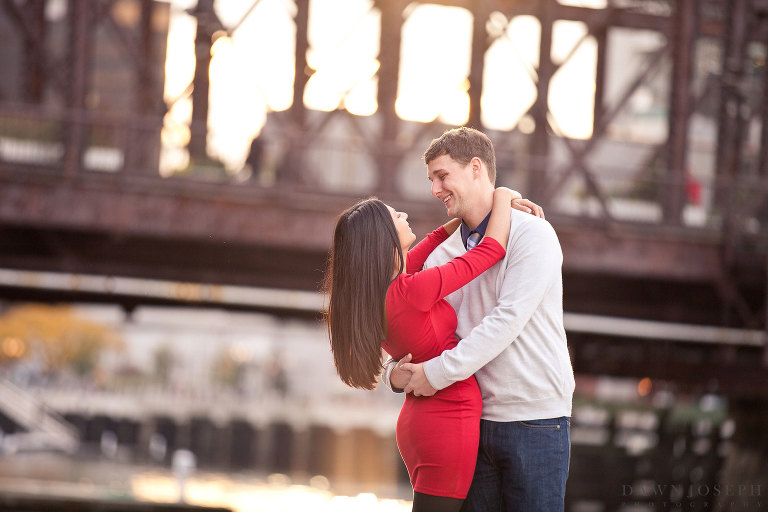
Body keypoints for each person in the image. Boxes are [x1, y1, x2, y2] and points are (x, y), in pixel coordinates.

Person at [384, 126, 575, 512]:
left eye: (442, 176)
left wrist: (434, 374)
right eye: (431, 180)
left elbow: (507, 319)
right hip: (471, 422)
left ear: (475, 168)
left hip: (535, 418)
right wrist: (393, 370)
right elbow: (408, 321)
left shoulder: (532, 234)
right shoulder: (442, 253)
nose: (435, 189)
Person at [323, 188, 542, 512]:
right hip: (448, 418)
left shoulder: (381, 291)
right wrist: (501, 194)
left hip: (423, 419)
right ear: (383, 239)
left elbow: (433, 239)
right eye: (396, 216)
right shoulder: (412, 289)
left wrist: (470, 209)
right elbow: (490, 250)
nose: (405, 216)